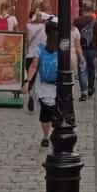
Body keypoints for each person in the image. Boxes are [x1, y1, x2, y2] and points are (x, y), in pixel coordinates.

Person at [27, 17, 59, 146]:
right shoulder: (62, 48)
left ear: (46, 32)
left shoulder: (40, 48)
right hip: (58, 85)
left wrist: (27, 81)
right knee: (56, 111)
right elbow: (71, 66)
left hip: (43, 86)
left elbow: (34, 66)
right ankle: (55, 132)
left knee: (45, 112)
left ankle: (46, 137)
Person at [25, 1, 48, 111]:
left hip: (30, 53)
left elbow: (27, 40)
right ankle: (39, 97)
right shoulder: (45, 25)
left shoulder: (28, 25)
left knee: (31, 78)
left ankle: (31, 94)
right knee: (41, 77)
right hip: (41, 54)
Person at [74, 3, 97, 97]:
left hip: (80, 48)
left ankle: (84, 91)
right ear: (92, 9)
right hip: (92, 49)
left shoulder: (77, 21)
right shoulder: (96, 22)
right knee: (91, 68)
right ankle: (91, 88)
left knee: (82, 69)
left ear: (83, 9)